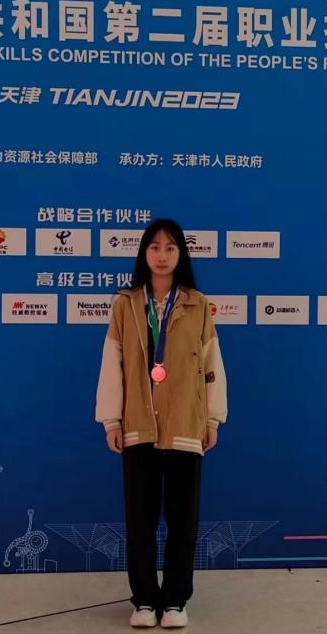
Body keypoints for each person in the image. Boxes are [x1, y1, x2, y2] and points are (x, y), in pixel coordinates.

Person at [95, 218, 228, 629]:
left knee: (183, 522)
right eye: (154, 247)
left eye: (171, 247)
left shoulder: (197, 304)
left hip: (185, 425)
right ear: (144, 254)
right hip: (139, 425)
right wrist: (111, 420)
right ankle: (144, 601)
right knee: (141, 521)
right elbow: (112, 364)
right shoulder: (126, 304)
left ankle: (174, 601)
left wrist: (212, 418)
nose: (162, 255)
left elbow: (212, 365)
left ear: (181, 254)